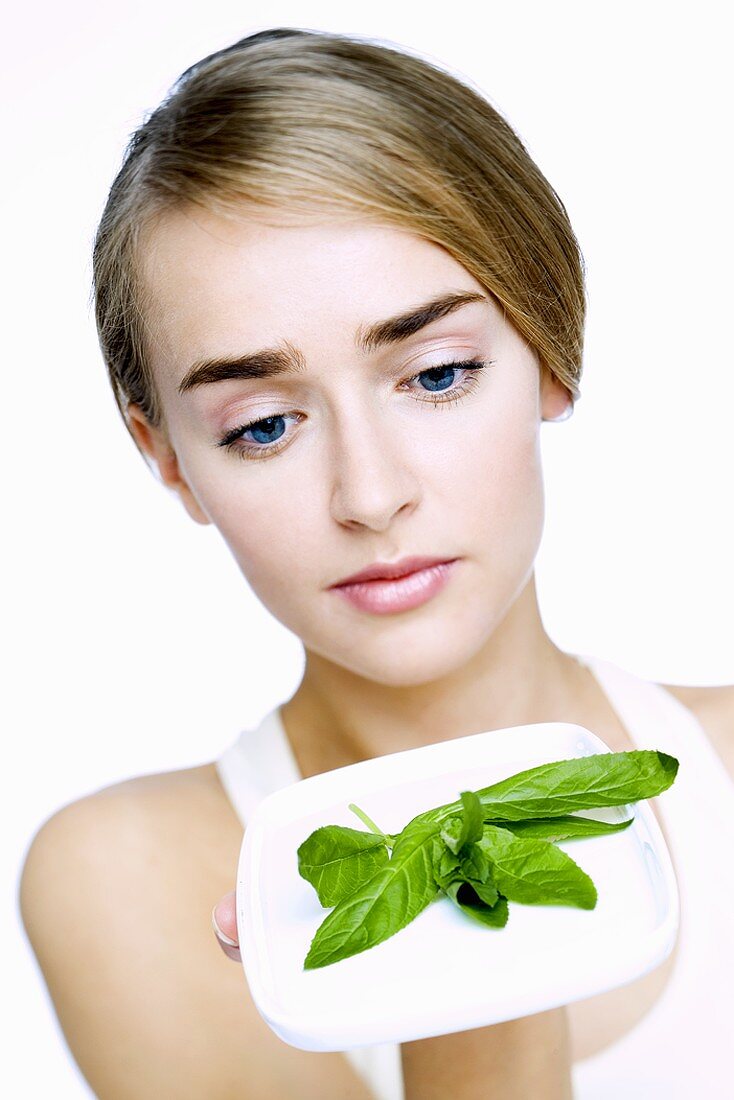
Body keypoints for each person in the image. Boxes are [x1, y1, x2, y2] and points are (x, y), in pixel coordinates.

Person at [19, 26, 733, 1100]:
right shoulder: (124, 881)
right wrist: (452, 966)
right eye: (262, 426)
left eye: (436, 373)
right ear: (166, 456)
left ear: (547, 341)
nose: (368, 494)